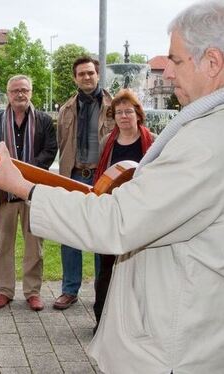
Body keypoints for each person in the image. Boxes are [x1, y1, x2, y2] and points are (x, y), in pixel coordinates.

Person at [0, 2, 224, 372]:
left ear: (212, 62)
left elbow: (118, 222)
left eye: (175, 60)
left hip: (174, 343)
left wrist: (26, 186)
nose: (168, 73)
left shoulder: (207, 140)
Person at [0, 75, 57, 311]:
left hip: (33, 191)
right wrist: (8, 174)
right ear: (8, 93)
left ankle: (32, 291)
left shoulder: (44, 120)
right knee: (3, 244)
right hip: (4, 192)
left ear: (31, 92)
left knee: (34, 244)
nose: (20, 94)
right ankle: (4, 290)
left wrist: (26, 172)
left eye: (24, 90)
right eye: (15, 90)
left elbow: (50, 149)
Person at [91, 89, 155, 332]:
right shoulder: (106, 142)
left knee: (140, 269)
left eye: (129, 111)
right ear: (113, 116)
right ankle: (102, 322)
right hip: (112, 210)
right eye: (119, 112)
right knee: (106, 269)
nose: (124, 116)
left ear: (138, 114)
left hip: (141, 212)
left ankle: (136, 323)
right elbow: (102, 176)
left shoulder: (154, 141)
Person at [54, 56, 115, 310]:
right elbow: (61, 144)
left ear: (98, 75)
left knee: (102, 235)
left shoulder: (114, 105)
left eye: (90, 73)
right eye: (81, 74)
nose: (86, 77)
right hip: (75, 175)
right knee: (70, 234)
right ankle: (70, 290)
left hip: (104, 177)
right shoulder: (67, 109)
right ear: (75, 78)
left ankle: (104, 290)